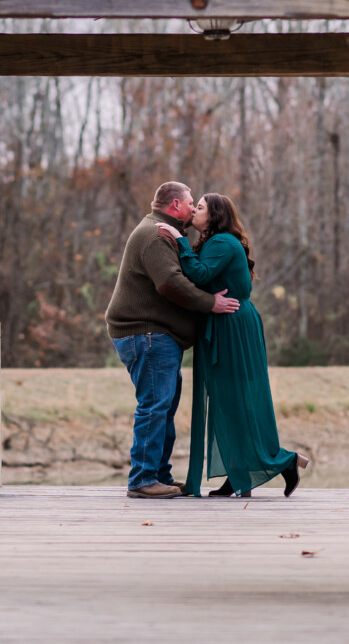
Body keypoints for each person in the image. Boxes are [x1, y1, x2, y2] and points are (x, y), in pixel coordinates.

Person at [156, 193, 310, 498]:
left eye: (199, 207)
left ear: (214, 215)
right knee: (227, 402)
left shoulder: (224, 242)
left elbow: (198, 275)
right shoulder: (215, 243)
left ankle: (284, 461)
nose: (194, 211)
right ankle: (240, 475)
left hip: (233, 327)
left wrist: (179, 239)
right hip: (222, 324)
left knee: (236, 400)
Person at [105, 181, 240, 499]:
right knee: (154, 406)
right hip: (146, 333)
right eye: (191, 202)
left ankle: (158, 476)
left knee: (163, 407)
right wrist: (211, 303)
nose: (194, 208)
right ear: (176, 205)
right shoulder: (155, 234)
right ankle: (142, 480)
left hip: (156, 336)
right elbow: (170, 283)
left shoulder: (163, 231)